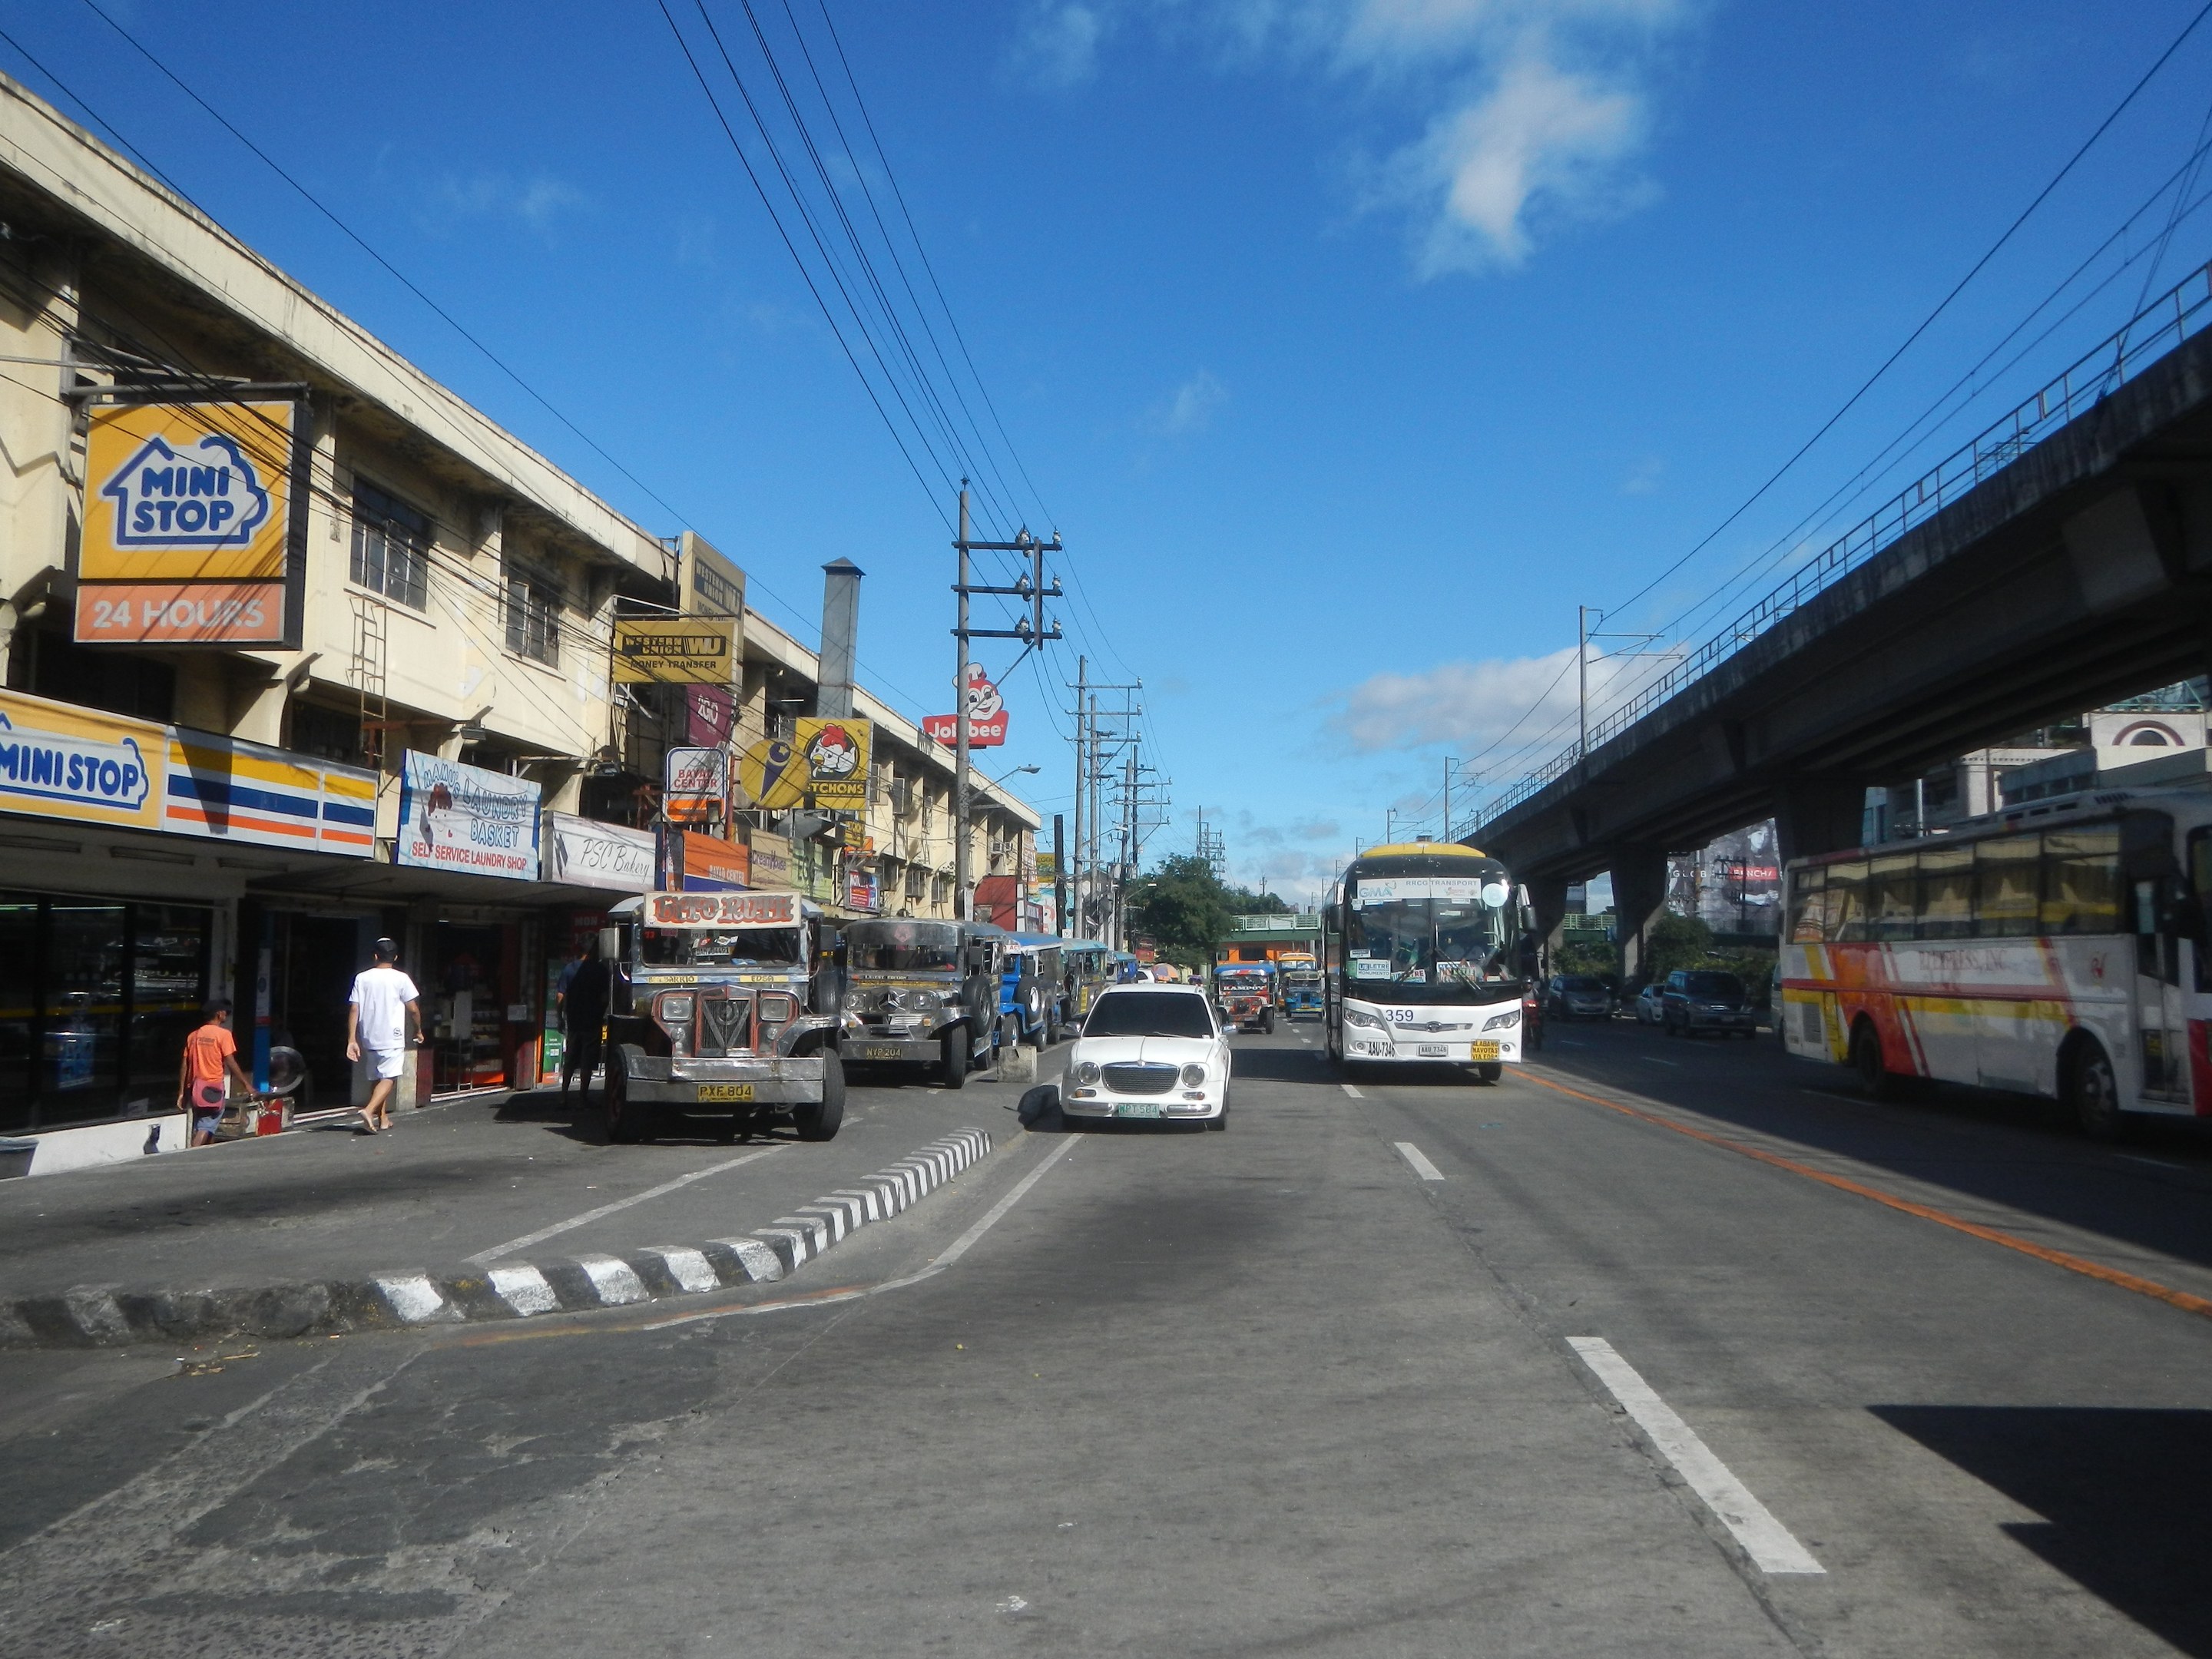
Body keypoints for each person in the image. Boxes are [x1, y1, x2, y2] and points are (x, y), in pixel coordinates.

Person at [346, 937, 422, 1135]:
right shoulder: (401, 978)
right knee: (389, 1078)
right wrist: (418, 1030)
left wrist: (351, 1039)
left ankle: (384, 1119)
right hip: (392, 1036)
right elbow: (413, 1009)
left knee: (377, 1078)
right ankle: (369, 1111)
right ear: (395, 957)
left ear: (375, 956)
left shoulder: (362, 978)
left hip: (369, 1036)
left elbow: (354, 1009)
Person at [175, 1000, 262, 1148]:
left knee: (202, 1123)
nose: (226, 1015)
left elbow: (185, 1064)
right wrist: (247, 1085)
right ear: (219, 1014)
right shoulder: (223, 1035)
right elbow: (231, 1062)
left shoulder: (193, 1036)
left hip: (194, 1088)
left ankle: (206, 1153)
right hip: (212, 1087)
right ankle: (191, 1153)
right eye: (225, 1012)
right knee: (207, 1125)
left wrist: (182, 1092)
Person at [559, 940, 612, 1101]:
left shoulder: (569, 968)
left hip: (574, 1020)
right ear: (594, 951)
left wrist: (560, 1017)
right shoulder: (601, 970)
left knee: (570, 1058)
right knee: (587, 1060)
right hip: (592, 1020)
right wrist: (602, 1014)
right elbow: (604, 998)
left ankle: (563, 1096)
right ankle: (582, 1098)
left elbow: (560, 995)